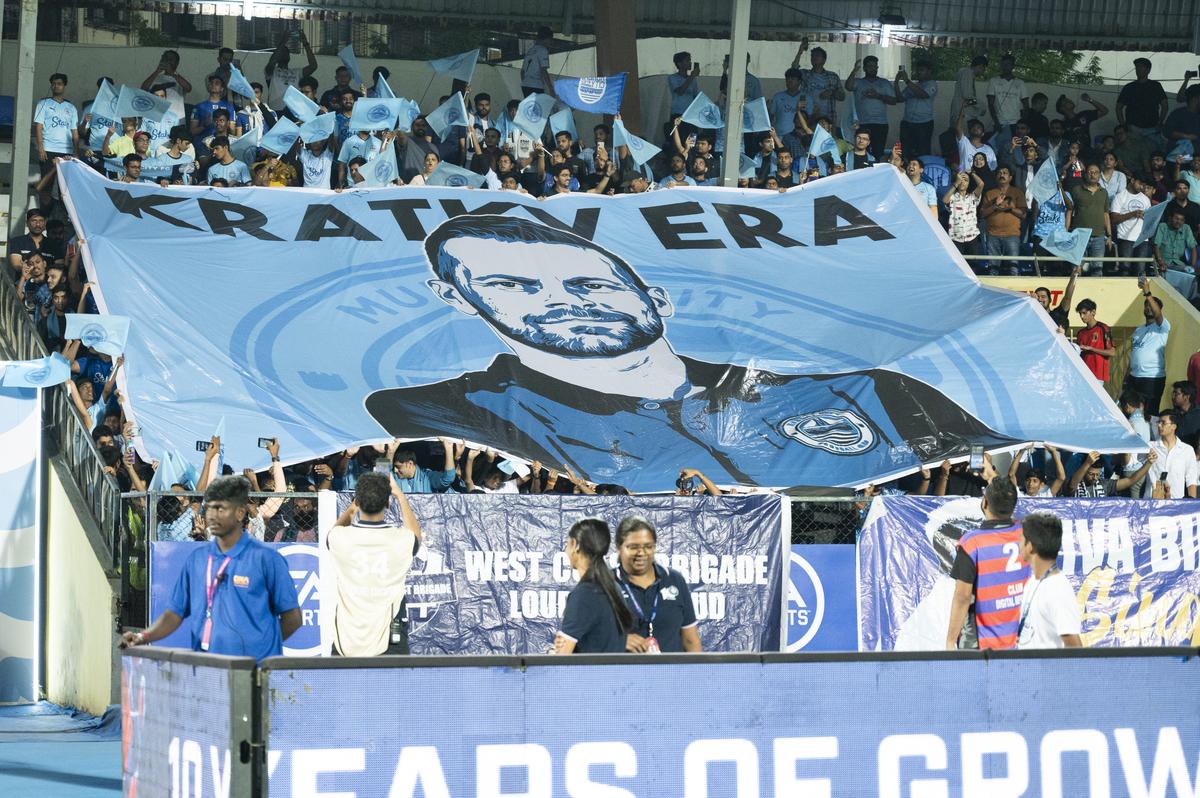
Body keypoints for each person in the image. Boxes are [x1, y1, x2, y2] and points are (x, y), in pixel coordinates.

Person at [365, 216, 1019, 490]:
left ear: (656, 299)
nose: (564, 302)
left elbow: (989, 459)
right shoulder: (436, 411)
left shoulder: (870, 390)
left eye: (592, 284)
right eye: (515, 286)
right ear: (458, 299)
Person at [120, 475, 301, 660]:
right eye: (210, 508)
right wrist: (143, 636)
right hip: (207, 667)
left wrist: (259, 649)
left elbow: (293, 618)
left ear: (240, 513)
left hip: (251, 669)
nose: (213, 516)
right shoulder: (197, 560)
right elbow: (174, 614)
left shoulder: (268, 560)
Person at [325, 472, 419, 656]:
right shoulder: (400, 540)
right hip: (389, 644)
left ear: (358, 501)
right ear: (388, 503)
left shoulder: (339, 538)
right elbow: (416, 535)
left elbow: (335, 529)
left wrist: (353, 507)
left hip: (346, 643)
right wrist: (400, 496)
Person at [945, 476, 1028, 650]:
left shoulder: (971, 543)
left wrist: (950, 641)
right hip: (1019, 640)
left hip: (982, 645)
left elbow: (962, 597)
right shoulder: (1026, 534)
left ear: (984, 503)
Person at [613, 516, 701, 654]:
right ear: (619, 548)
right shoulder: (604, 584)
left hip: (671, 668)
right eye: (633, 547)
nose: (641, 553)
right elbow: (586, 641)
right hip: (623, 668)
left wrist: (699, 668)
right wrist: (618, 641)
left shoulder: (674, 580)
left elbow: (690, 640)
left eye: (648, 546)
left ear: (654, 547)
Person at [553, 518, 632, 654]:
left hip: (591, 669)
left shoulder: (584, 594)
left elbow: (561, 658)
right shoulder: (614, 588)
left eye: (567, 544)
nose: (566, 551)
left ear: (575, 545)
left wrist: (555, 652)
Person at [1016, 512, 1082, 650]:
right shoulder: (1033, 582)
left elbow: (1076, 649)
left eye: (1021, 539)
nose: (1019, 544)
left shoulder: (1058, 590)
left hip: (1046, 665)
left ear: (1030, 546)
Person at [1127, 281, 1170, 414]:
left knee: (1149, 414)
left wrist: (1147, 293)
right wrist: (1127, 376)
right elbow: (1134, 353)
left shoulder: (1162, 326)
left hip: (1151, 378)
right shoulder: (1139, 329)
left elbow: (1157, 314)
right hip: (1134, 377)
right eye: (1146, 306)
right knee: (1131, 412)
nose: (1149, 308)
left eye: (1152, 306)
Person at [845, 56, 896, 161]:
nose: (873, 69)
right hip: (862, 123)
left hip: (880, 124)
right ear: (864, 68)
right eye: (869, 66)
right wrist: (854, 70)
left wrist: (878, 96)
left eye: (875, 66)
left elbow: (893, 101)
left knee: (878, 153)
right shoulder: (859, 82)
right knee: (861, 152)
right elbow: (848, 87)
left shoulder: (884, 83)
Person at [1066, 164, 1112, 275]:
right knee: (1076, 269)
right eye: (1090, 172)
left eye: (1096, 172)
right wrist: (1066, 232)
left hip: (1099, 236)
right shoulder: (1076, 190)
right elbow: (1070, 211)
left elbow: (1106, 214)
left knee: (1097, 269)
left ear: (1099, 175)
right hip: (1079, 235)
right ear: (1086, 175)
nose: (1093, 175)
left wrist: (1109, 235)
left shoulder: (1104, 192)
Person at [34, 73, 79, 177]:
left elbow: (74, 131)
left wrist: (76, 152)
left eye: (59, 84)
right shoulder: (43, 103)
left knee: (64, 183)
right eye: (53, 84)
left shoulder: (71, 107)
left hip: (66, 151)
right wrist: (40, 148)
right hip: (48, 149)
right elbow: (39, 127)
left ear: (64, 86)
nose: (56, 86)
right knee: (47, 181)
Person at [1117, 58, 1168, 148]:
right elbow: (1118, 107)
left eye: (1141, 67)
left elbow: (1165, 106)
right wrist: (1124, 126)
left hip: (1152, 127)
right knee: (1133, 152)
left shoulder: (1155, 86)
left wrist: (1160, 122)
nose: (1138, 69)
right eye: (1137, 67)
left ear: (1148, 70)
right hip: (1133, 127)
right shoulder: (1129, 87)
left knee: (1152, 152)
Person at [264, 29, 318, 111]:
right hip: (276, 111)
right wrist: (283, 41)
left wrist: (305, 43)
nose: (284, 54)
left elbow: (313, 66)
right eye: (281, 52)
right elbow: (272, 61)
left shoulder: (296, 72)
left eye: (286, 52)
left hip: (293, 111)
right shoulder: (272, 71)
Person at [896, 61, 936, 159]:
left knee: (923, 153)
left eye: (921, 70)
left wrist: (907, 80)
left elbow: (923, 94)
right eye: (917, 70)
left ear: (929, 71)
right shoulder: (912, 85)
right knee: (905, 152)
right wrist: (896, 83)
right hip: (907, 123)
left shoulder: (932, 84)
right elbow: (900, 99)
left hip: (923, 124)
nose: (918, 72)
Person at [986, 54, 1029, 143]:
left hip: (1016, 123)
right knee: (1000, 147)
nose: (1005, 67)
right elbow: (990, 104)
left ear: (1013, 66)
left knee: (1015, 147)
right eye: (1003, 64)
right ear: (1001, 65)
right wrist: (996, 122)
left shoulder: (1020, 83)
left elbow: (1026, 104)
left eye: (1008, 64)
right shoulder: (993, 81)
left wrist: (1023, 123)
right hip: (999, 122)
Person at [944, 169, 984, 259]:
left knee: (973, 264)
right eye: (960, 180)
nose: (962, 182)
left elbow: (981, 184)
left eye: (965, 180)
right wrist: (956, 183)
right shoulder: (952, 197)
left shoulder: (973, 197)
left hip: (972, 237)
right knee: (957, 263)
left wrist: (972, 173)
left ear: (969, 184)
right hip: (955, 238)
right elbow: (945, 200)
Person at [1074, 299, 1114, 384]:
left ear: (1093, 312)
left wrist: (1092, 349)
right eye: (1080, 313)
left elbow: (1112, 352)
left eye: (1084, 313)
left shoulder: (1103, 328)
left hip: (1097, 376)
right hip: (1082, 374)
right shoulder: (1081, 333)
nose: (1082, 316)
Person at [950, 55, 987, 125]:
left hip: (959, 113)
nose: (983, 72)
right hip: (963, 115)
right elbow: (967, 96)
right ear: (981, 66)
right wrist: (982, 106)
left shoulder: (964, 72)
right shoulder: (968, 73)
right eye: (984, 69)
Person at [520, 26, 554, 97]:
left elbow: (522, 71)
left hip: (525, 85)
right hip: (536, 85)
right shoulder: (543, 50)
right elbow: (543, 70)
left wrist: (526, 82)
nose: (551, 42)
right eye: (550, 39)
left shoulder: (530, 50)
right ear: (547, 39)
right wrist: (550, 88)